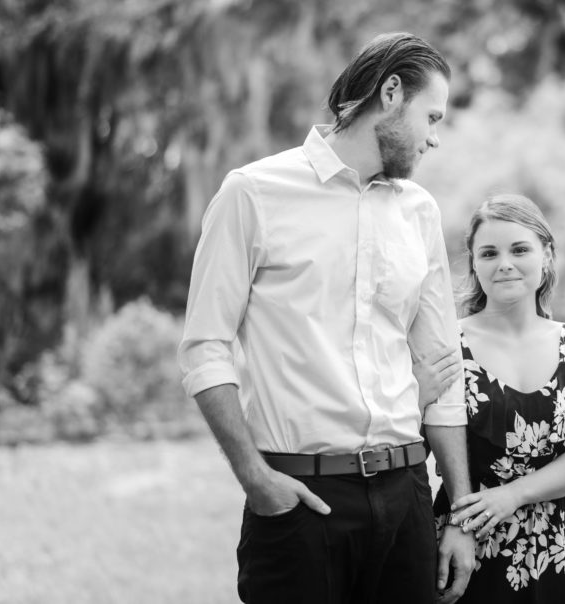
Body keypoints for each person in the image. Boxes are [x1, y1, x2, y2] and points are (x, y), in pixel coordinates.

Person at [178, 32, 475, 604]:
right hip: (300, 502)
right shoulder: (253, 194)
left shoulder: (419, 212)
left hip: (406, 494)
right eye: (431, 117)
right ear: (391, 93)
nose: (434, 138)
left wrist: (458, 510)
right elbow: (204, 347)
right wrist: (255, 478)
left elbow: (444, 371)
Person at [421, 194, 565, 603]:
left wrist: (513, 494)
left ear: (547, 255)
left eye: (519, 249)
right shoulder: (446, 343)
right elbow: (413, 444)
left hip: (547, 550)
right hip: (460, 542)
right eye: (489, 253)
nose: (504, 263)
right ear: (474, 263)